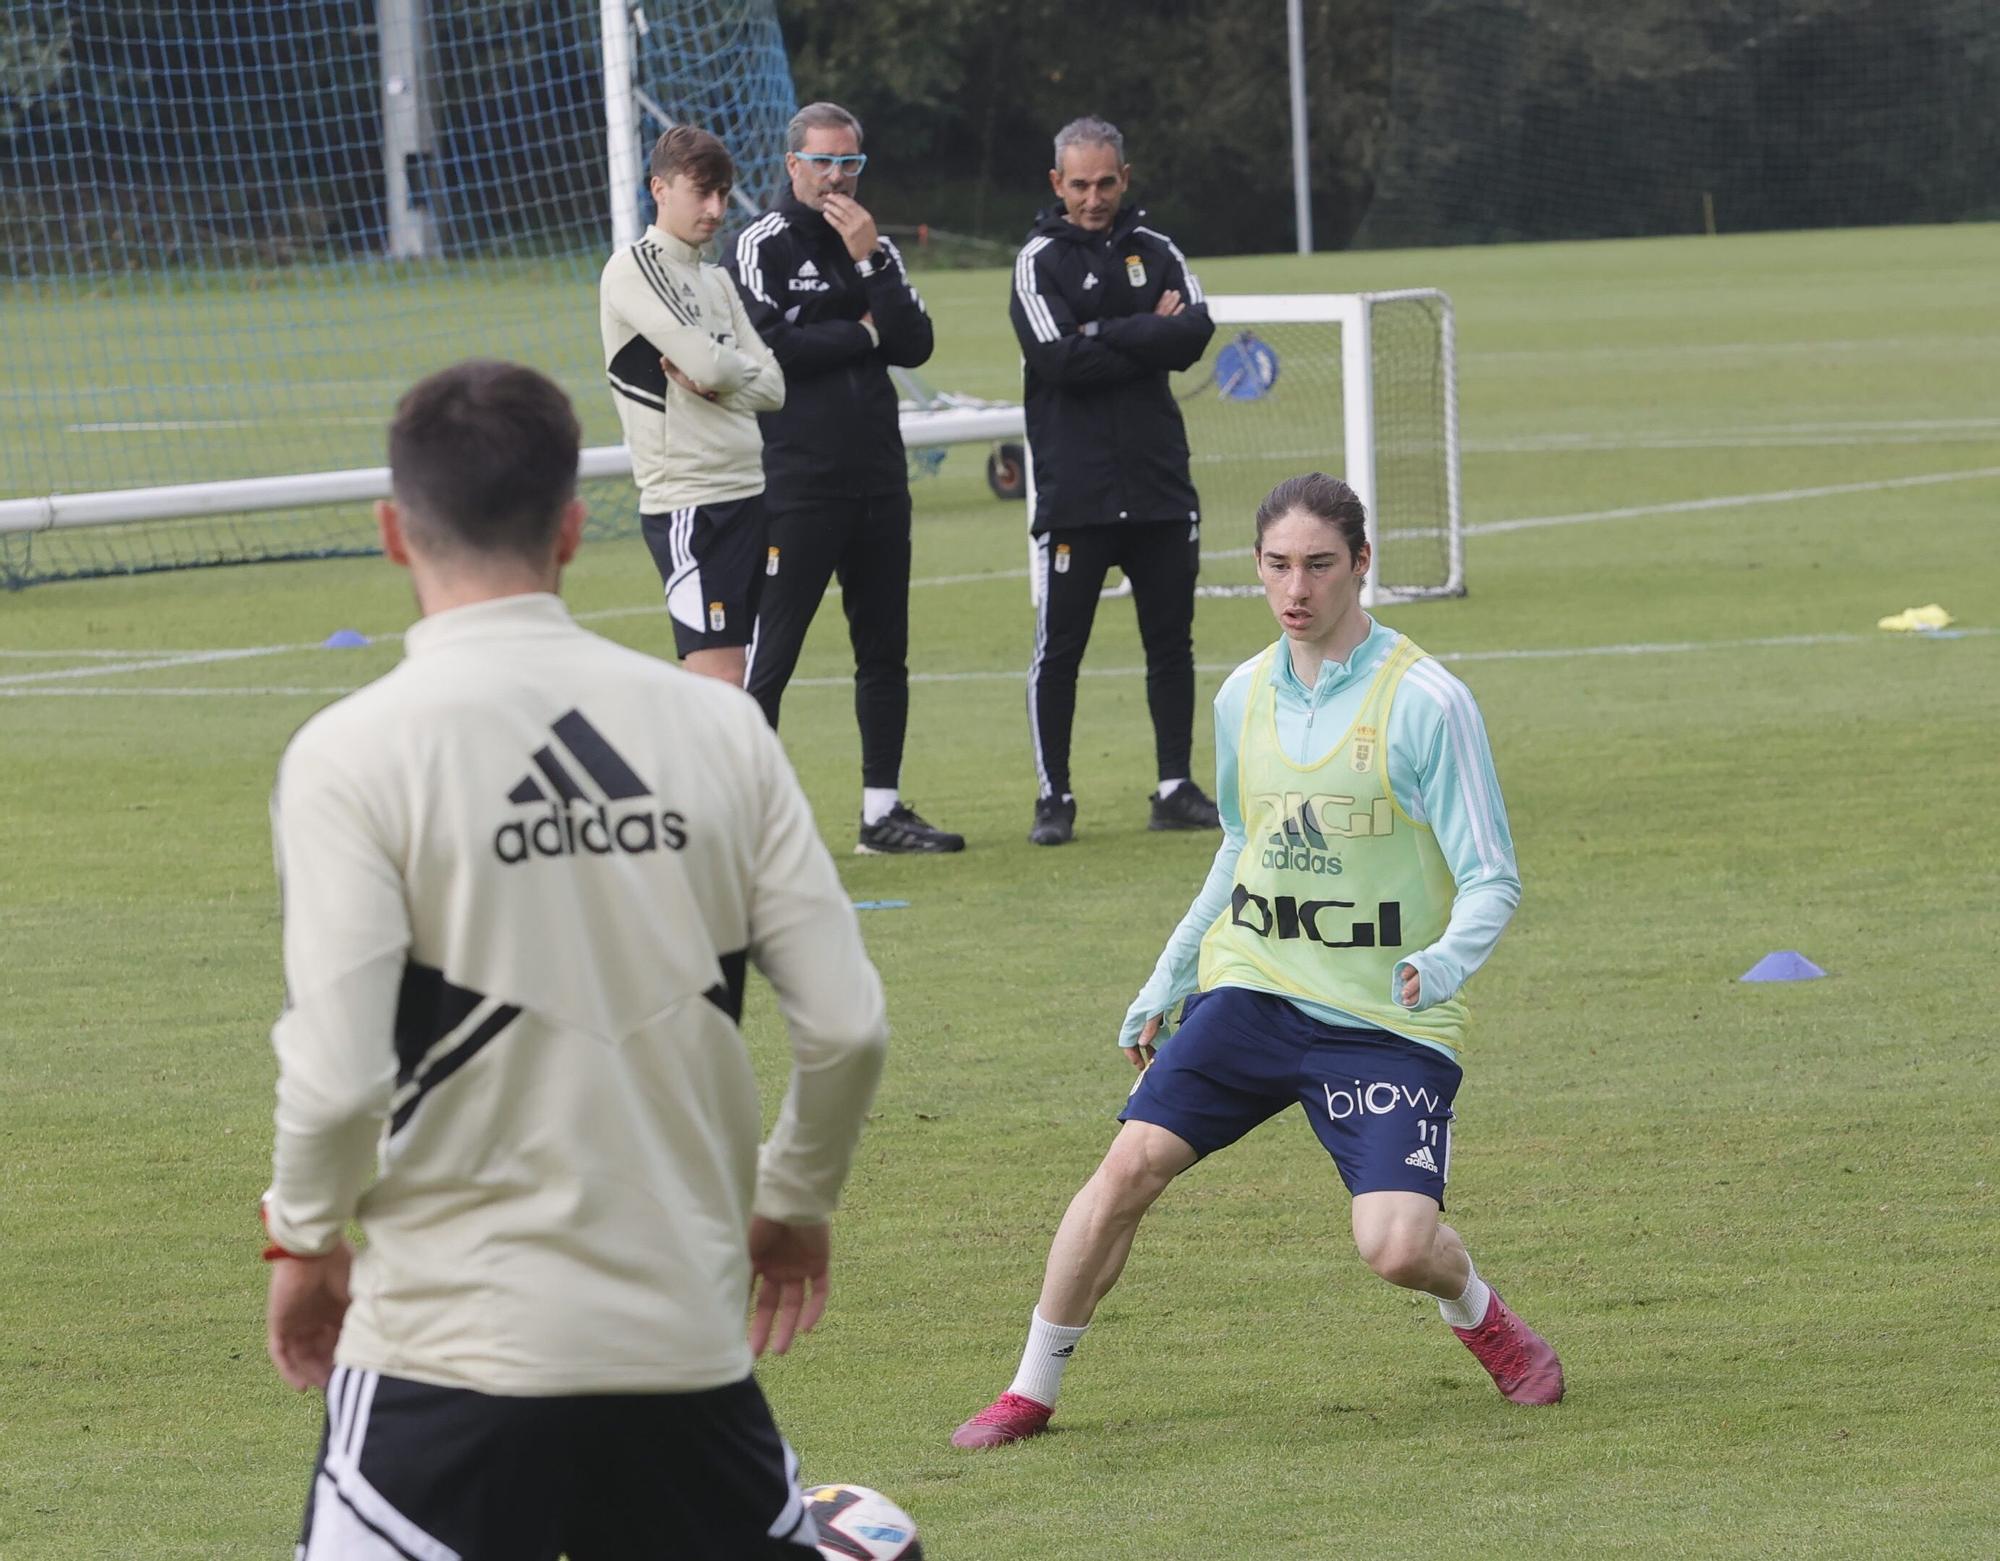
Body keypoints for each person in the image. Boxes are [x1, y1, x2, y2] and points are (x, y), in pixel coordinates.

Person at [260, 359, 888, 1557]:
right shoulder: (718, 729)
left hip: (447, 1360)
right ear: (569, 530)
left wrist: (301, 1240)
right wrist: (795, 1198)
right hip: (683, 1361)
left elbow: (338, 1079)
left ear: (394, 531)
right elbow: (847, 1026)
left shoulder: (350, 753)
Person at [951, 472, 1562, 1449]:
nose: (1297, 588)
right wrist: (1170, 973)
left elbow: (1492, 877)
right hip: (1257, 987)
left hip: (1384, 1019)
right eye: (1277, 565)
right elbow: (1241, 845)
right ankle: (1029, 1390)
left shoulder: (1426, 703)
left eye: (1319, 565)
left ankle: (1478, 1311)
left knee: (1396, 1248)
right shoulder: (1241, 695)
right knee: (1125, 1169)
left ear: (1360, 565)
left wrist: (1440, 964)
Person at [728, 101, 964, 855]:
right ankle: (746, 821)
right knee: (773, 654)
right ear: (792, 164)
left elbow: (916, 343)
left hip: (879, 477)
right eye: (824, 161)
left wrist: (867, 265)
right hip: (798, 480)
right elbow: (769, 350)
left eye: (850, 162)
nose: (837, 176)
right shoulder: (759, 243)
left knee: (884, 650)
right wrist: (862, 331)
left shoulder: (875, 245)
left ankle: (881, 813)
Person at [1010, 115, 1222, 847]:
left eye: (1105, 183)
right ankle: (1054, 796)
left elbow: (1195, 334)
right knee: (1060, 648)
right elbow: (1057, 362)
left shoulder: (1158, 250)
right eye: (1079, 185)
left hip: (1159, 484)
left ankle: (1174, 786)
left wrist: (1100, 332)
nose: (1093, 198)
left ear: (1124, 178)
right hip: (1077, 492)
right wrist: (1142, 334)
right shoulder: (1037, 259)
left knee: (1171, 643)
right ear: (1056, 184)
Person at [600, 125, 784, 687]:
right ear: (659, 188)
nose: (715, 208)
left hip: (749, 491)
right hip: (693, 504)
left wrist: (721, 377)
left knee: (746, 681)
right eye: (701, 192)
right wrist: (723, 371)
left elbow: (774, 388)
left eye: (723, 194)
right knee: (720, 685)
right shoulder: (632, 268)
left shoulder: (717, 281)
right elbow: (709, 368)